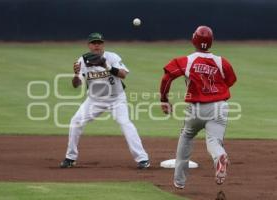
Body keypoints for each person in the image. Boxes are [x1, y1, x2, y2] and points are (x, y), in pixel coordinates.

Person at [159, 26, 237, 189]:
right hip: (219, 107)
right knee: (214, 141)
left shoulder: (186, 60)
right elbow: (230, 80)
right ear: (211, 42)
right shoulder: (221, 61)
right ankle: (220, 157)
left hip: (196, 108)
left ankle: (179, 182)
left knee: (186, 137)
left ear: (194, 40)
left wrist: (164, 99)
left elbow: (167, 77)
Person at [60, 32, 150, 169]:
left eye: (99, 43)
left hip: (116, 99)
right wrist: (75, 74)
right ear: (89, 45)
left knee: (125, 123)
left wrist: (106, 66)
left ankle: (143, 159)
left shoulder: (112, 57)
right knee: (75, 121)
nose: (97, 45)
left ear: (103, 44)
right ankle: (70, 158)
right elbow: (76, 84)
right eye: (94, 43)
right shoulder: (82, 61)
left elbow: (123, 74)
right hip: (94, 100)